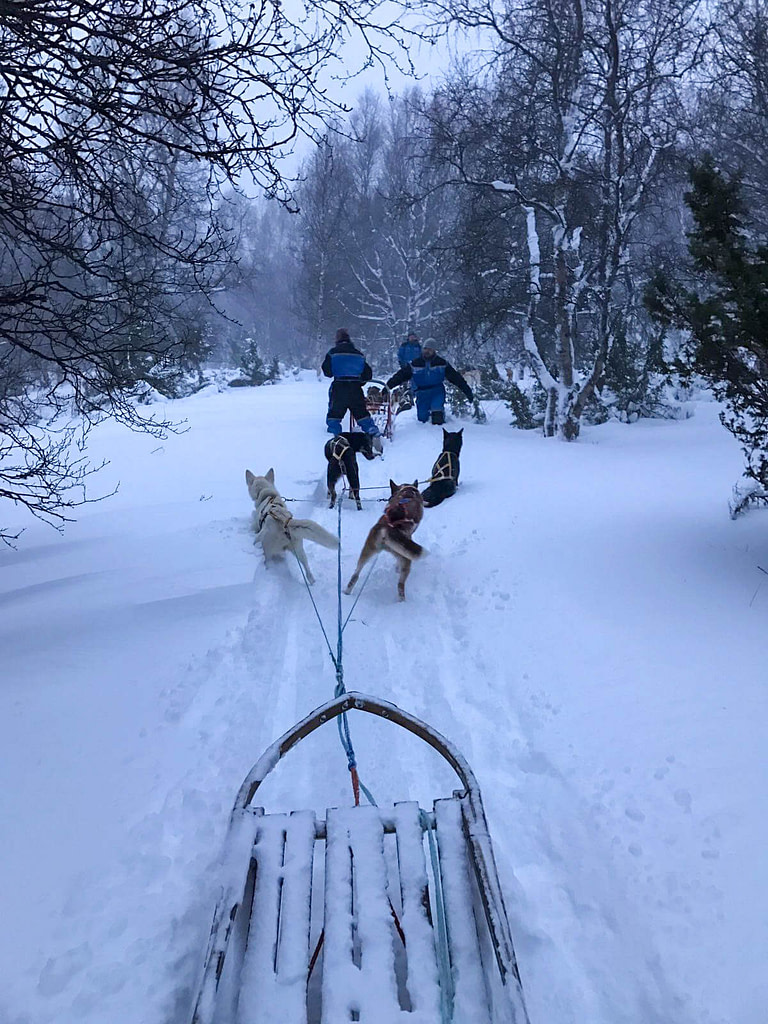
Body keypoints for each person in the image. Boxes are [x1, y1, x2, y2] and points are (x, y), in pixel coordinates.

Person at [386, 342, 474, 425]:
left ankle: (440, 416)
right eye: (425, 348)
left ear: (434, 351)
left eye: (430, 349)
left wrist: (467, 391)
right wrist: (387, 386)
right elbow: (400, 376)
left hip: (437, 391)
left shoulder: (442, 363)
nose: (427, 351)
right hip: (422, 392)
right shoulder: (415, 364)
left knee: (437, 415)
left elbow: (456, 378)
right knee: (422, 419)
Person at [321, 328, 382, 446]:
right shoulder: (359, 354)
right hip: (355, 389)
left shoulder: (333, 353)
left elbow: (327, 372)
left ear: (337, 340)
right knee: (362, 414)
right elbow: (367, 374)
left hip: (339, 388)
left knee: (334, 416)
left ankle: (336, 440)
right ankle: (374, 435)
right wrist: (359, 381)